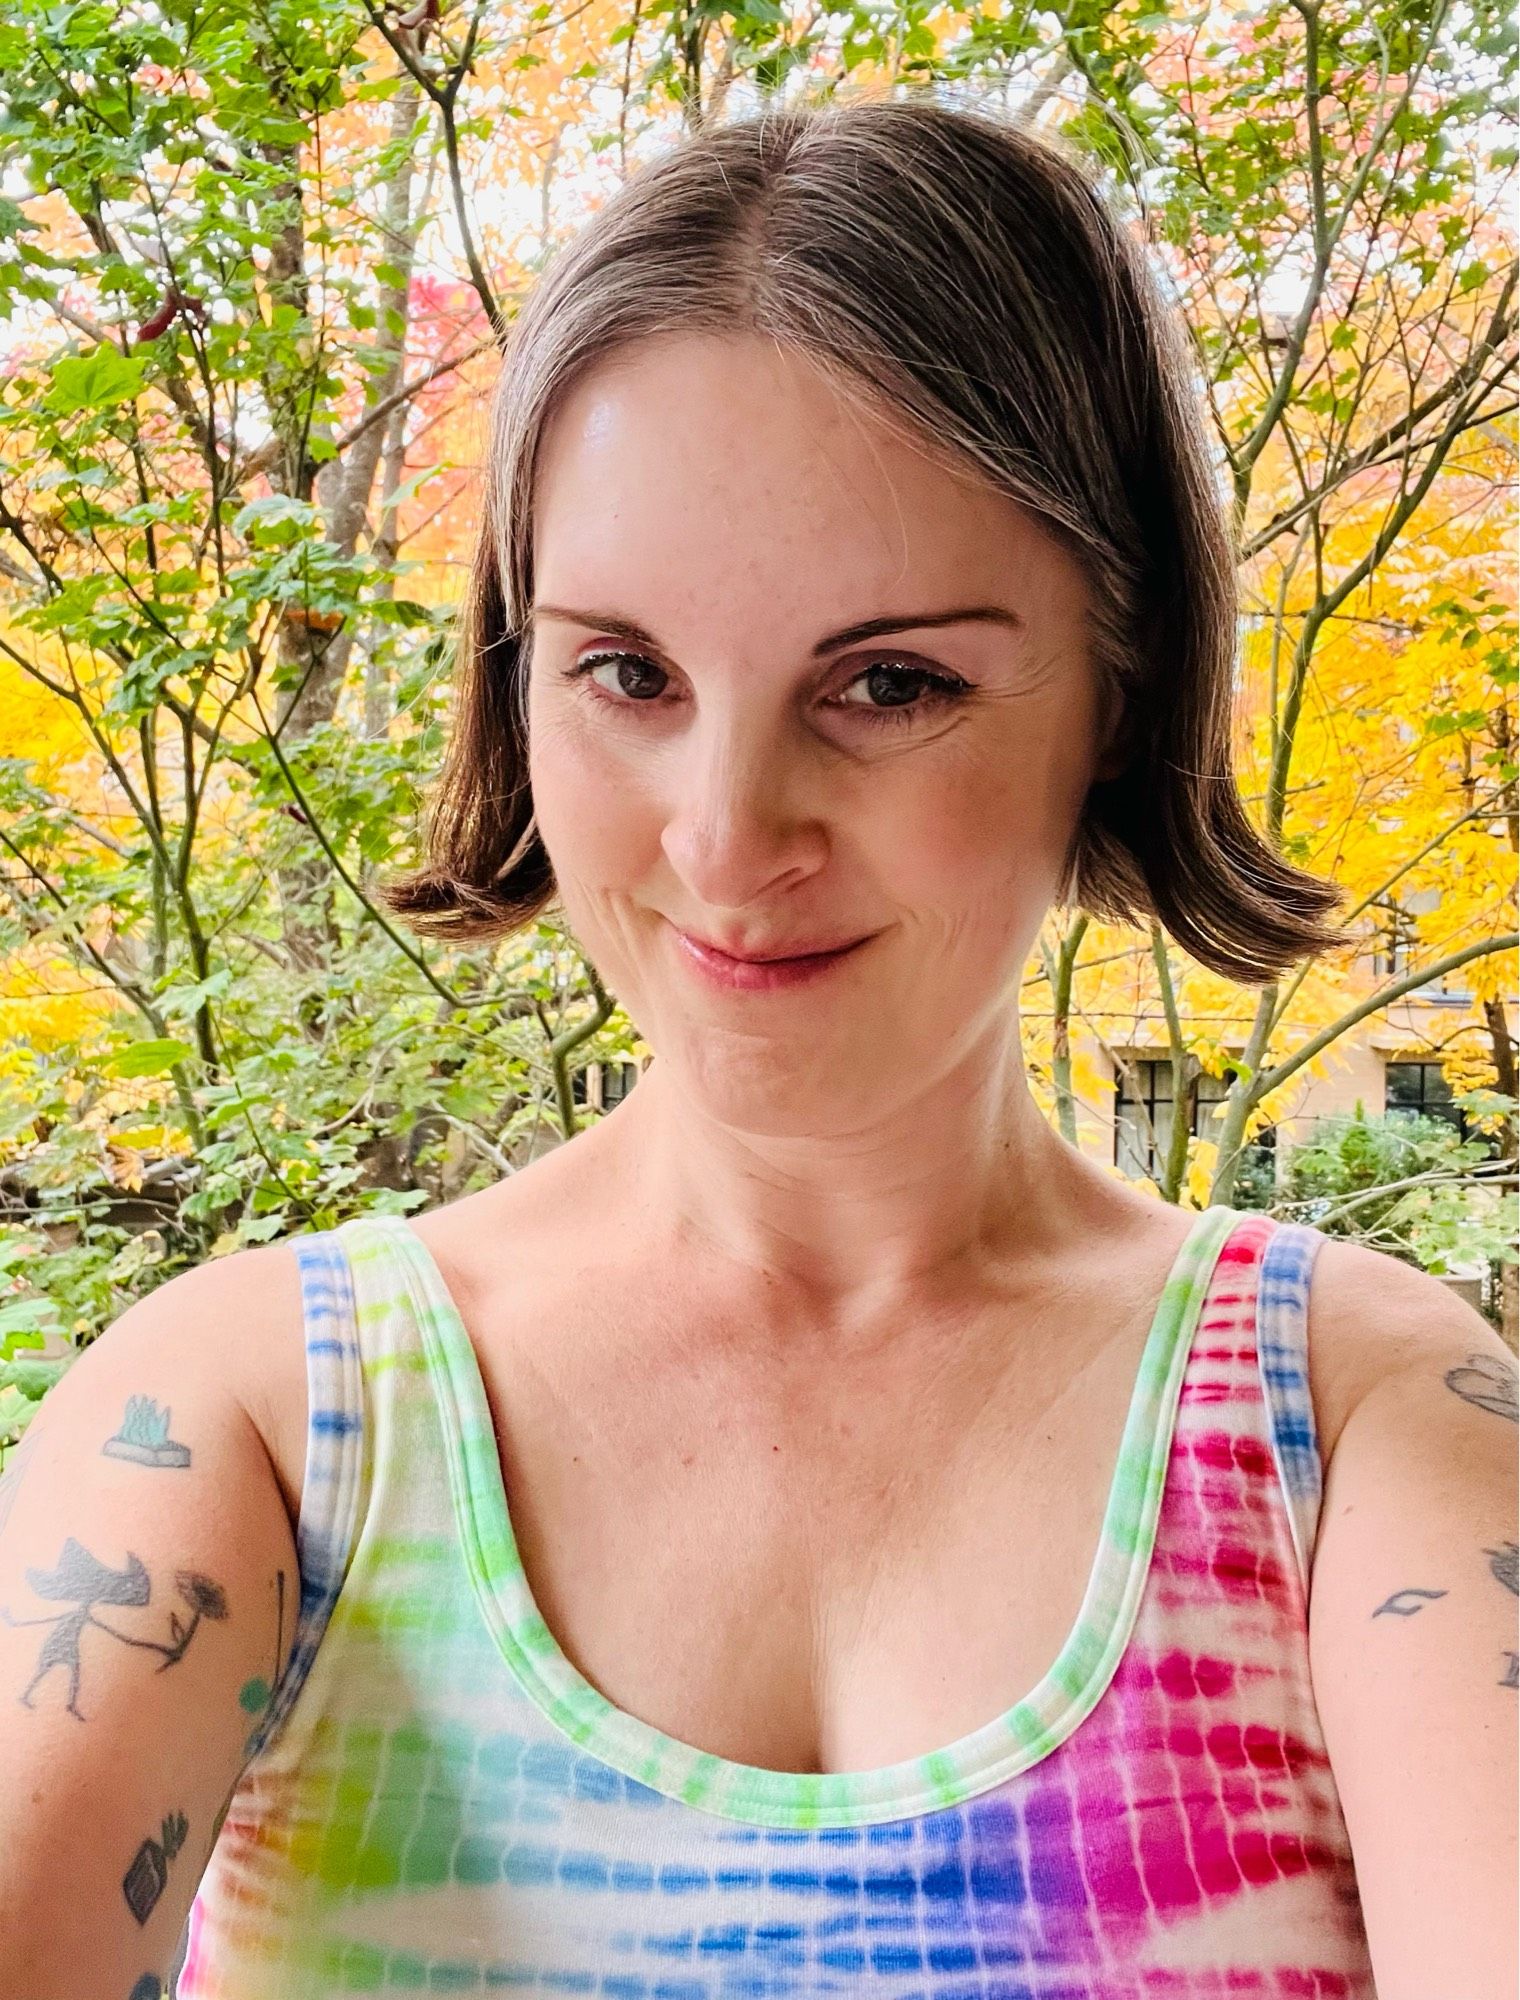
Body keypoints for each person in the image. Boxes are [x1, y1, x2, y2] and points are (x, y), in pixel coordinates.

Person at [0, 91, 1514, 2000]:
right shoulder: (254, 1436)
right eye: (628, 673)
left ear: (1121, 699)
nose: (724, 835)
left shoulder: (1365, 1437)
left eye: (890, 683)